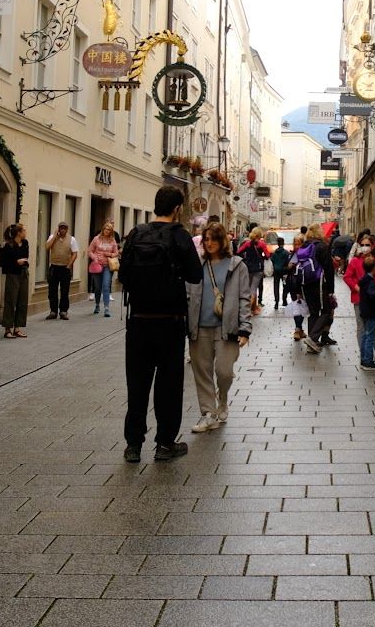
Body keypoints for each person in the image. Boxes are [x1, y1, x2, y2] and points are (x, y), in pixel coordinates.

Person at [119, 186, 203, 463]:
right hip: (170, 322)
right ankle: (165, 444)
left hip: (138, 322)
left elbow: (124, 277)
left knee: (137, 385)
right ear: (177, 208)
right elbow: (195, 275)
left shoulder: (136, 234)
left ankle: (133, 445)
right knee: (168, 386)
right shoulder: (180, 236)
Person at [187, 222, 253, 433]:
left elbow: (244, 298)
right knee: (203, 373)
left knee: (224, 372)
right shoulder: (197, 265)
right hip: (200, 327)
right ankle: (208, 413)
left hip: (227, 328)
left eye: (214, 239)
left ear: (222, 240)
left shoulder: (237, 265)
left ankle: (222, 398)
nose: (210, 243)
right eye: (206, 239)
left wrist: (245, 328)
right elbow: (188, 294)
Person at [342, 233, 375, 371]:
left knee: (374, 327)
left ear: (372, 246)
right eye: (362, 245)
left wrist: (373, 285)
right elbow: (347, 277)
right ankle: (364, 355)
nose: (365, 247)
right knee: (362, 327)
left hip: (371, 298)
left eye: (367, 245)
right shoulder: (355, 261)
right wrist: (356, 287)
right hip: (358, 297)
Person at [355, 255, 375, 373]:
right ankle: (368, 361)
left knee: (365, 335)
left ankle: (364, 359)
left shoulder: (363, 280)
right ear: (374, 268)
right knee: (370, 337)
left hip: (364, 311)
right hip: (371, 312)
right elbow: (372, 296)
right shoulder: (370, 282)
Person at [0, 223, 30, 338]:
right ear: (18, 233)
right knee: (10, 301)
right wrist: (16, 262)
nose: (25, 232)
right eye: (23, 230)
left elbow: (26, 256)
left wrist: (23, 262)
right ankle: (7, 329)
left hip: (23, 273)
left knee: (22, 301)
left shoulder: (25, 243)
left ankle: (17, 328)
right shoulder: (8, 246)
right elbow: (3, 262)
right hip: (12, 274)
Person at [45, 221, 78, 320]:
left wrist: (69, 265)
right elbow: (47, 247)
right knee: (52, 290)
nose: (62, 230)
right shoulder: (52, 237)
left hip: (65, 268)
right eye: (61, 228)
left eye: (64, 228)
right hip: (54, 267)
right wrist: (54, 237)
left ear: (67, 229)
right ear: (58, 229)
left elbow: (75, 253)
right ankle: (53, 311)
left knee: (64, 290)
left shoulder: (72, 239)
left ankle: (63, 311)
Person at [87, 221, 121, 317]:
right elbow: (90, 251)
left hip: (107, 266)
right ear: (103, 229)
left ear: (111, 231)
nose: (107, 231)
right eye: (105, 229)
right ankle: (97, 305)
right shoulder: (96, 239)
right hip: (97, 265)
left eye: (109, 230)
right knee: (97, 287)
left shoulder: (112, 240)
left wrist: (109, 254)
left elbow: (116, 253)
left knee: (106, 286)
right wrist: (94, 257)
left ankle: (106, 308)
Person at [236, 227, 269, 306]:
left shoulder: (247, 244)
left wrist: (245, 259)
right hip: (258, 268)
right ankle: (250, 307)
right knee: (253, 288)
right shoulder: (262, 244)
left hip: (248, 268)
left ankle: (252, 306)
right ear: (259, 234)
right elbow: (267, 255)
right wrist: (263, 257)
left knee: (249, 287)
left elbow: (238, 252)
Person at [270, 237, 292, 306]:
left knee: (276, 286)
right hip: (284, 272)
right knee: (285, 286)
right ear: (283, 243)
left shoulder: (274, 253)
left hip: (276, 272)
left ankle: (276, 302)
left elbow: (272, 260)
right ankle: (284, 300)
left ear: (277, 243)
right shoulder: (286, 253)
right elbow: (288, 262)